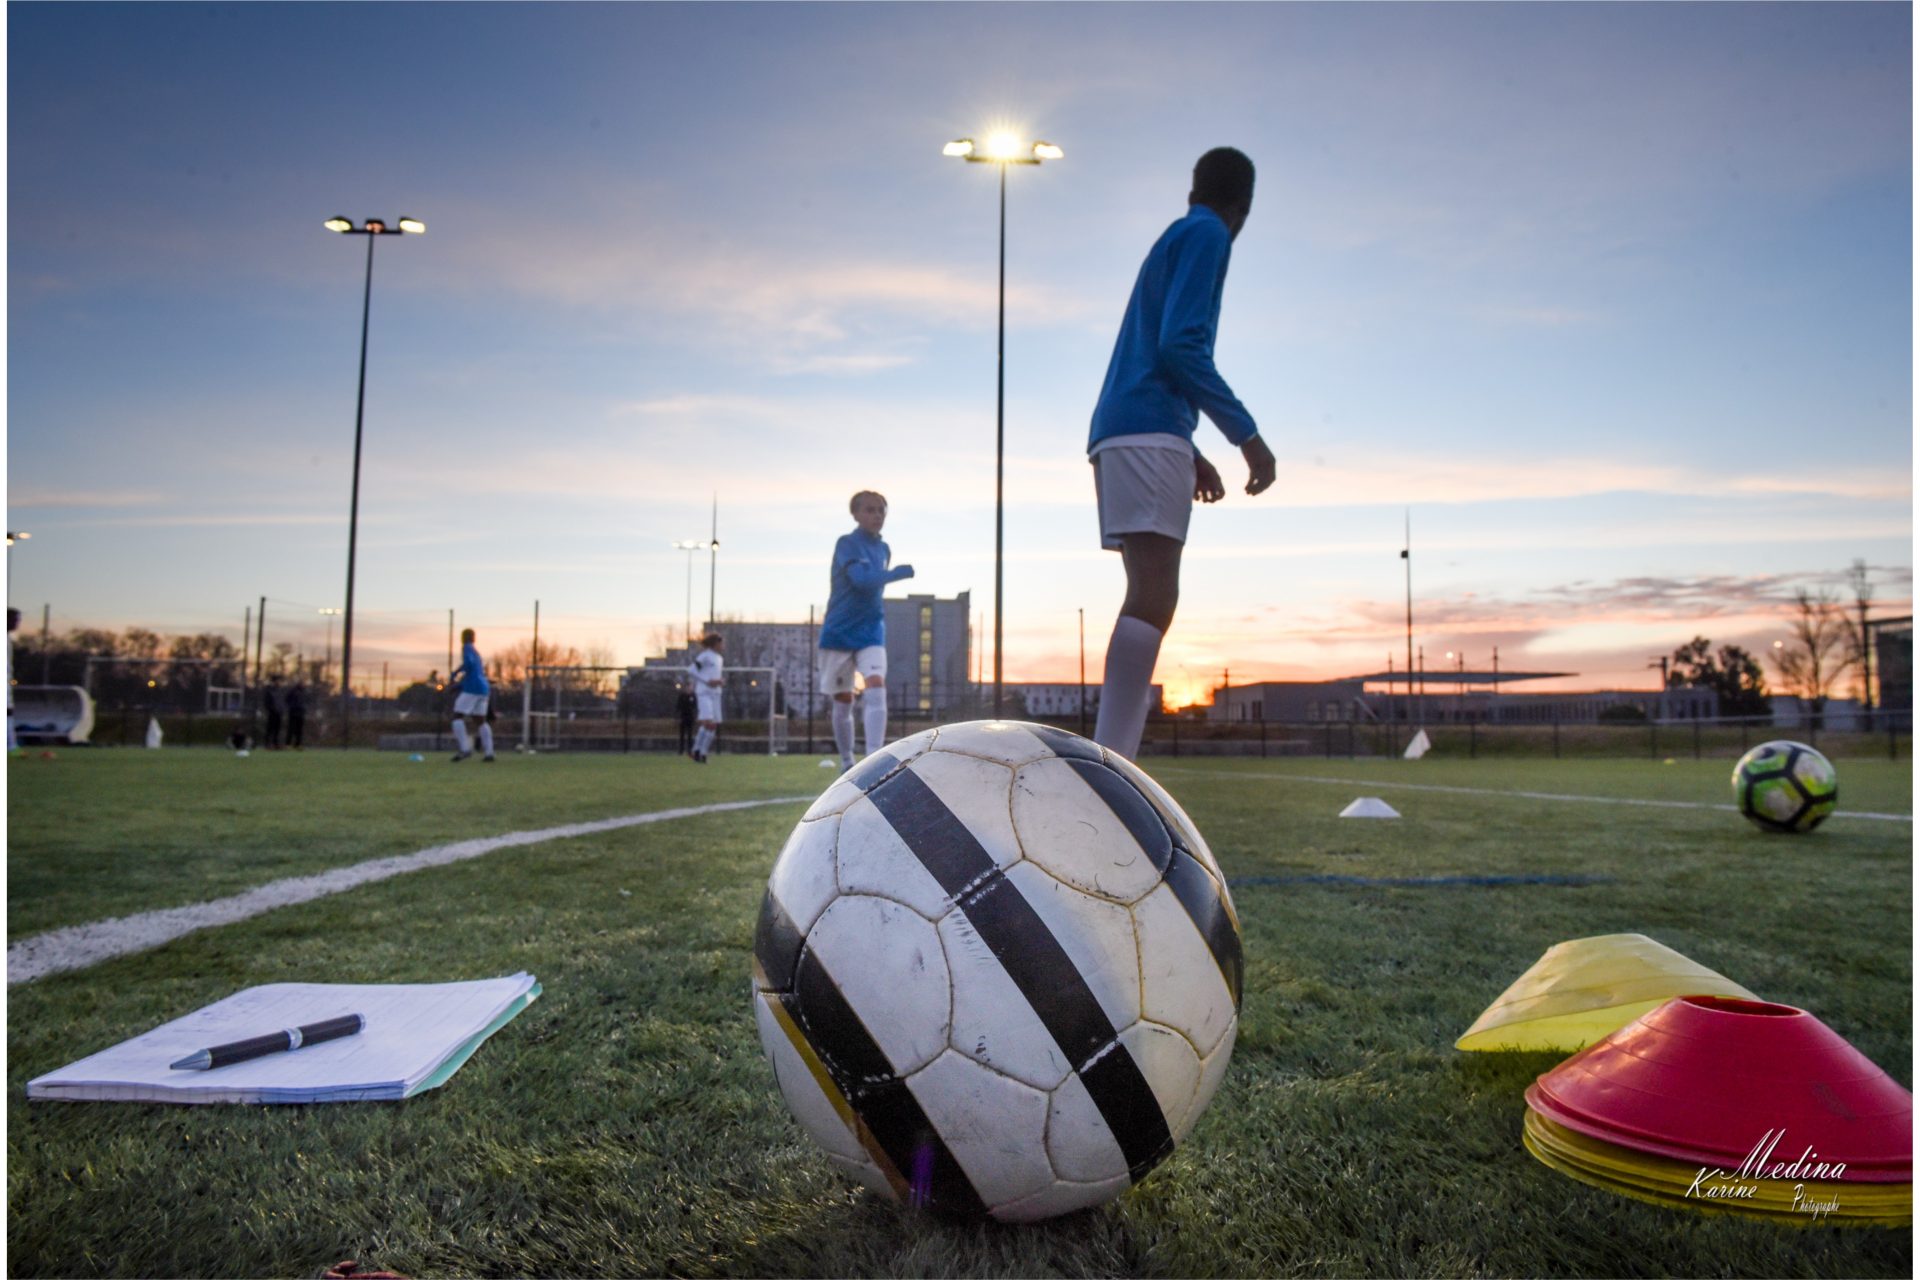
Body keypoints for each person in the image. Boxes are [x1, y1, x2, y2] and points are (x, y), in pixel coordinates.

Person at [1087, 146, 1276, 760]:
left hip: (1127, 426)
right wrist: (1246, 434)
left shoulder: (1175, 234)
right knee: (1154, 593)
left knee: (1146, 589)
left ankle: (1112, 759)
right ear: (1242, 207)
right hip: (1145, 428)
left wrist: (1187, 443)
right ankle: (1113, 764)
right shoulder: (1208, 235)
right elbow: (1180, 345)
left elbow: (1157, 353)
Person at [817, 490, 914, 771]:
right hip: (839, 631)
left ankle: (873, 761)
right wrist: (896, 574)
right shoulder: (847, 544)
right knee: (844, 699)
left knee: (875, 684)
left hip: (872, 629)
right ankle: (847, 761)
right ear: (856, 514)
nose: (877, 515)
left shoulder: (883, 549)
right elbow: (860, 580)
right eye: (870, 510)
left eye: (881, 510)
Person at [449, 628, 495, 763]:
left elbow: (468, 665)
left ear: (463, 638)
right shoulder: (476, 653)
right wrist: (460, 684)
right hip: (484, 688)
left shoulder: (466, 648)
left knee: (457, 716)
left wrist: (456, 673)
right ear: (474, 638)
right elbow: (475, 669)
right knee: (480, 720)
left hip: (473, 688)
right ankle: (489, 752)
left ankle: (465, 749)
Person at [688, 633, 724, 763]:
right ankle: (699, 753)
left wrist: (719, 681)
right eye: (721, 643)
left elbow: (713, 675)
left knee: (712, 725)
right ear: (715, 644)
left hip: (715, 694)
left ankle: (699, 752)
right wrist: (708, 681)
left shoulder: (719, 658)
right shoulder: (705, 656)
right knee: (708, 722)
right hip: (704, 693)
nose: (722, 646)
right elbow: (692, 670)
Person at [263, 675, 286, 749]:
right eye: (277, 680)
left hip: (279, 713)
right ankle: (268, 744)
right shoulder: (269, 690)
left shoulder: (280, 691)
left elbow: (281, 702)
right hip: (272, 713)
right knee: (270, 729)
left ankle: (276, 744)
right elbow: (267, 702)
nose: (279, 682)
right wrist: (271, 709)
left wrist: (282, 710)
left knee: (277, 729)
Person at [285, 680, 307, 749]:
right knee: (291, 729)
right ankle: (288, 744)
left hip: (301, 713)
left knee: (299, 730)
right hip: (293, 713)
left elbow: (305, 702)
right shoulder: (292, 691)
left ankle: (298, 744)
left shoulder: (303, 692)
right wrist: (292, 706)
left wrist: (304, 709)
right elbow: (287, 700)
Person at [675, 684, 697, 755]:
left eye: (690, 687)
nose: (689, 689)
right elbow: (678, 706)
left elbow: (695, 706)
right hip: (683, 717)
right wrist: (678, 717)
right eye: (688, 687)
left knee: (690, 735)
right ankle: (681, 750)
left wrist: (695, 715)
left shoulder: (693, 696)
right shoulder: (682, 696)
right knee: (682, 734)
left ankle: (690, 750)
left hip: (690, 718)